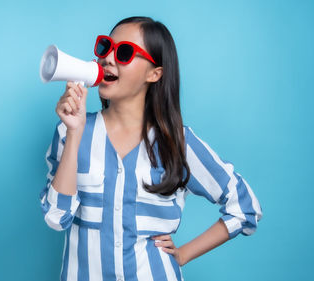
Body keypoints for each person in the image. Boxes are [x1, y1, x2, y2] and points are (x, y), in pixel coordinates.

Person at [39, 16, 263, 281]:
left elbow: (245, 208)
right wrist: (75, 132)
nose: (108, 58)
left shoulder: (177, 142)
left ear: (154, 73)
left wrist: (184, 254)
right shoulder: (69, 131)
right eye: (105, 47)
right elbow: (57, 217)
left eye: (124, 53)